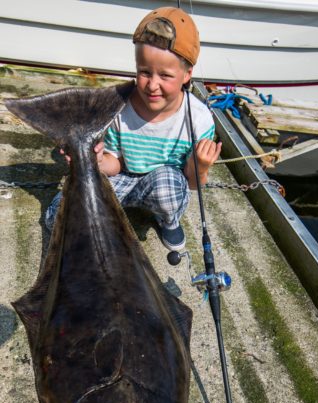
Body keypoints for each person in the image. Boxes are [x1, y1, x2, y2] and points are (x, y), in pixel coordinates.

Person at [45, 6, 221, 251]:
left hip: (163, 183)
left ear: (187, 74)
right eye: (144, 72)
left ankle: (168, 220)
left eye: (165, 75)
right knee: (58, 220)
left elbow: (192, 183)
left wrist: (201, 165)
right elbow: (115, 163)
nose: (152, 85)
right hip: (122, 177)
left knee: (168, 188)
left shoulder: (200, 120)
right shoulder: (118, 105)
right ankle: (110, 212)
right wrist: (95, 159)